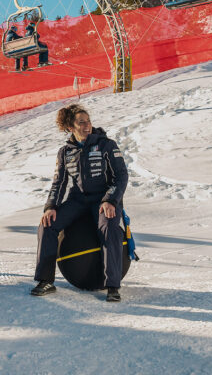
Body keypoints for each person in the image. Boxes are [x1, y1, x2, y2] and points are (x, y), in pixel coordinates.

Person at [31, 103, 128, 302]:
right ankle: (45, 281)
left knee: (109, 226)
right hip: (77, 201)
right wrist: (50, 207)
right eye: (81, 122)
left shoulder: (106, 145)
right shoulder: (65, 152)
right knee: (46, 225)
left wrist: (111, 200)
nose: (87, 126)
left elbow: (121, 176)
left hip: (103, 200)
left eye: (88, 121)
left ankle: (112, 285)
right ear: (70, 128)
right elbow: (59, 183)